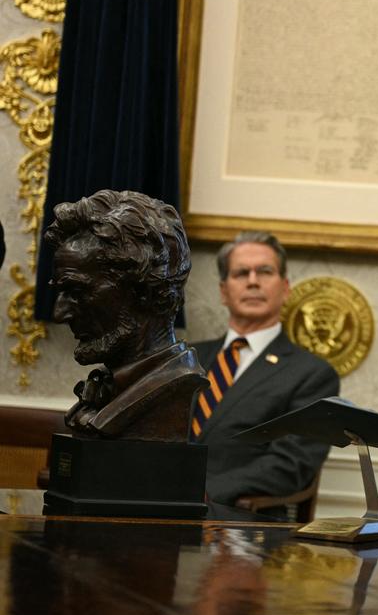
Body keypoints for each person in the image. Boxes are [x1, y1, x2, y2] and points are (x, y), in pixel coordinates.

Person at [192, 231, 337, 511]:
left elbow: (292, 464)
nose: (253, 281)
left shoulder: (313, 375)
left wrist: (204, 493)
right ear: (224, 291)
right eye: (241, 273)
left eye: (265, 272)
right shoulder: (186, 358)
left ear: (285, 289)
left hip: (237, 520)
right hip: (155, 505)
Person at [45, 190, 205, 442]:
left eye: (77, 291)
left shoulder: (170, 388)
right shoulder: (104, 388)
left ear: (144, 290)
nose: (59, 313)